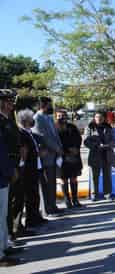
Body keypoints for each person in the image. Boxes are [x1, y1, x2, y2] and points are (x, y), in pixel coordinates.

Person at [32, 97, 64, 217]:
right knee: (46, 184)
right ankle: (47, 209)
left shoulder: (49, 118)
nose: (52, 107)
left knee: (52, 182)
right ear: (43, 105)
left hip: (54, 155)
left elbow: (55, 135)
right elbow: (44, 137)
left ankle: (53, 206)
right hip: (46, 156)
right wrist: (57, 149)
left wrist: (60, 147)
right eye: (50, 105)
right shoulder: (37, 118)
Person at [0, 89, 21, 267]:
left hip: (6, 171)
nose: (10, 104)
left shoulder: (8, 120)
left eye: (10, 101)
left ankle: (4, 245)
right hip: (3, 171)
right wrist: (10, 169)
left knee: (3, 214)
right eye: (6, 101)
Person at [16, 109, 46, 229]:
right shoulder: (22, 133)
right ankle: (30, 219)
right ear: (25, 121)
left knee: (34, 194)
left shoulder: (29, 132)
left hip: (36, 166)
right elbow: (23, 151)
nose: (33, 121)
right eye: (30, 119)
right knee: (29, 195)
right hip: (28, 169)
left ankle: (35, 217)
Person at [84, 111, 115, 201]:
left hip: (107, 154)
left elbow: (113, 140)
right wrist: (96, 146)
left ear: (104, 118)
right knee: (94, 176)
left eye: (101, 117)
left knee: (107, 176)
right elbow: (86, 142)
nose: (99, 119)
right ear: (94, 118)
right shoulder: (89, 127)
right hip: (95, 155)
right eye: (97, 117)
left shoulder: (108, 127)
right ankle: (94, 195)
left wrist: (108, 145)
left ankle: (107, 194)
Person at [55, 110, 83, 208]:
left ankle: (75, 200)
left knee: (74, 178)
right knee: (63, 180)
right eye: (59, 116)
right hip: (62, 157)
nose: (61, 117)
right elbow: (56, 142)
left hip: (75, 156)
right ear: (56, 117)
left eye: (63, 115)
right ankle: (67, 201)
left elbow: (79, 138)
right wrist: (67, 150)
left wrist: (76, 148)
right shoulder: (55, 128)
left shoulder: (72, 127)